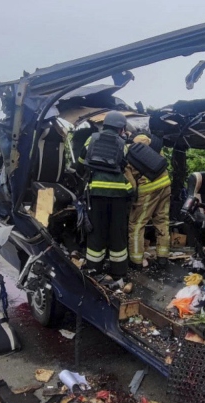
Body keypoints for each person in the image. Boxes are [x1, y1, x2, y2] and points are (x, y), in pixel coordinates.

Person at [78, 111, 133, 278]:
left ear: (105, 124)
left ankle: (95, 268)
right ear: (120, 128)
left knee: (96, 231)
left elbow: (81, 163)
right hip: (118, 194)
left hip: (96, 193)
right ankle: (119, 271)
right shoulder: (122, 144)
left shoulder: (91, 139)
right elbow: (124, 164)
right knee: (117, 231)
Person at [127, 132, 171, 270]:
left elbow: (132, 185)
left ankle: (136, 261)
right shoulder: (155, 149)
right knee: (162, 221)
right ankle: (163, 258)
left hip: (148, 190)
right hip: (165, 184)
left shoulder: (130, 155)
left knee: (137, 224)